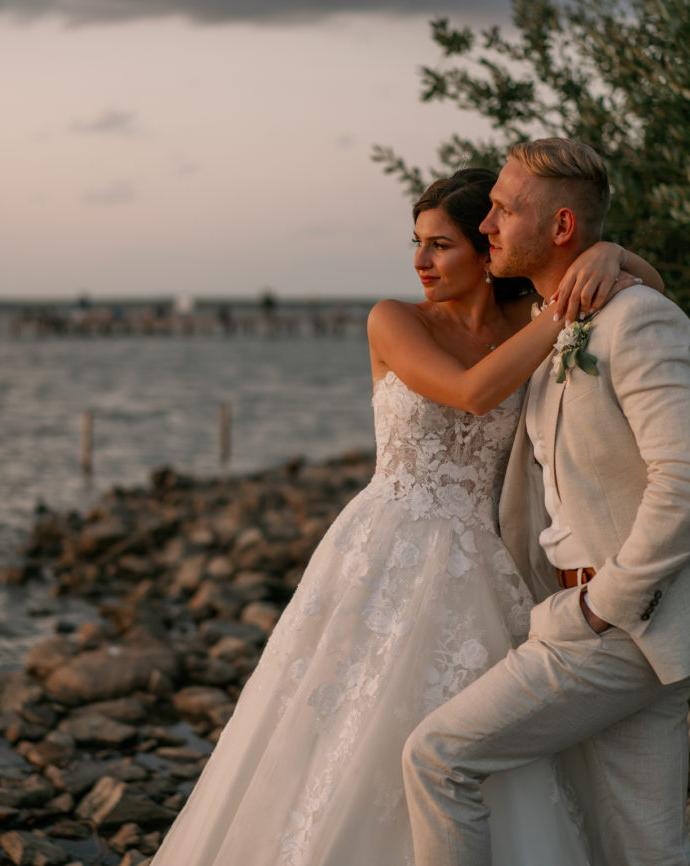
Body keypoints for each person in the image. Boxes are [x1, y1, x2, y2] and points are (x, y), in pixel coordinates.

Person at [149, 167, 662, 866]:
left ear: (491, 246)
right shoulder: (394, 319)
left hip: (484, 557)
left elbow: (651, 297)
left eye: (441, 245)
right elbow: (472, 392)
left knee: (474, 737)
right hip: (382, 550)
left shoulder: (525, 324)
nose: (420, 262)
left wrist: (610, 256)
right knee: (342, 729)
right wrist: (563, 307)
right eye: (416, 244)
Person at [402, 139, 690, 865]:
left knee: (438, 758)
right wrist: (609, 252)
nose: (486, 224)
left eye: (502, 210)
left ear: (559, 229)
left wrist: (600, 606)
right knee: (642, 848)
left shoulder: (638, 320)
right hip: (627, 622)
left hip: (617, 620)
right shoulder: (556, 319)